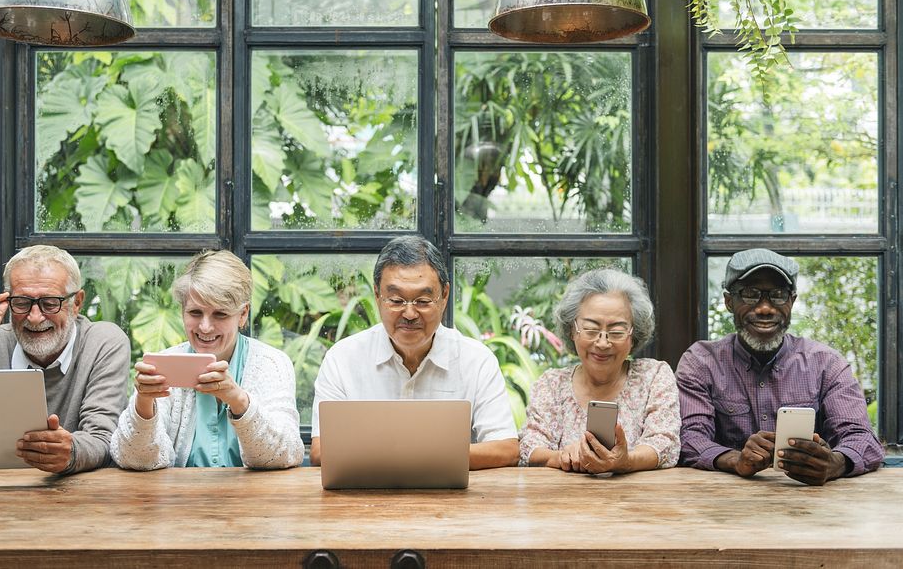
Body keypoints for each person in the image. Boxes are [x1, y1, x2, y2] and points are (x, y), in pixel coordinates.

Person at [676, 248, 884, 485]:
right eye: (751, 294)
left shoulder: (826, 363)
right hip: (723, 504)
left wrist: (835, 463)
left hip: (811, 503)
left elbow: (862, 438)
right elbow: (689, 437)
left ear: (792, 302)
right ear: (729, 301)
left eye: (777, 295)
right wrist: (735, 460)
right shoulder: (701, 362)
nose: (765, 308)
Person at [310, 236, 519, 469]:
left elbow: (506, 449)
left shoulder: (476, 360)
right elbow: (321, 450)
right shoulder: (343, 358)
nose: (409, 314)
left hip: (453, 500)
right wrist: (432, 456)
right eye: (397, 300)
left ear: (445, 296)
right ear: (378, 296)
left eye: (422, 300)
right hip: (365, 499)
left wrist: (412, 457)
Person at [0, 245, 131, 473]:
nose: (35, 318)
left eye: (50, 302)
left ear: (76, 303)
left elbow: (103, 439)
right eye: (22, 303)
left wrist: (71, 452)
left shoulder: (103, 342)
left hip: (79, 494)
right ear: (8, 302)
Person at [111, 250, 303, 469]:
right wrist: (144, 404)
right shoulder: (164, 363)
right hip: (180, 500)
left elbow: (286, 453)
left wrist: (238, 400)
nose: (205, 327)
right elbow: (131, 459)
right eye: (194, 312)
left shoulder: (271, 363)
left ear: (242, 315)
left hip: (255, 500)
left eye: (220, 314)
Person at [519, 268, 680, 473]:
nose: (603, 343)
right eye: (591, 329)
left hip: (638, 501)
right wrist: (562, 457)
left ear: (634, 334)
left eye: (616, 331)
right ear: (572, 330)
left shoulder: (654, 376)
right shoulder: (551, 385)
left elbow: (665, 442)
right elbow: (529, 447)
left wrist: (626, 461)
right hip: (562, 501)